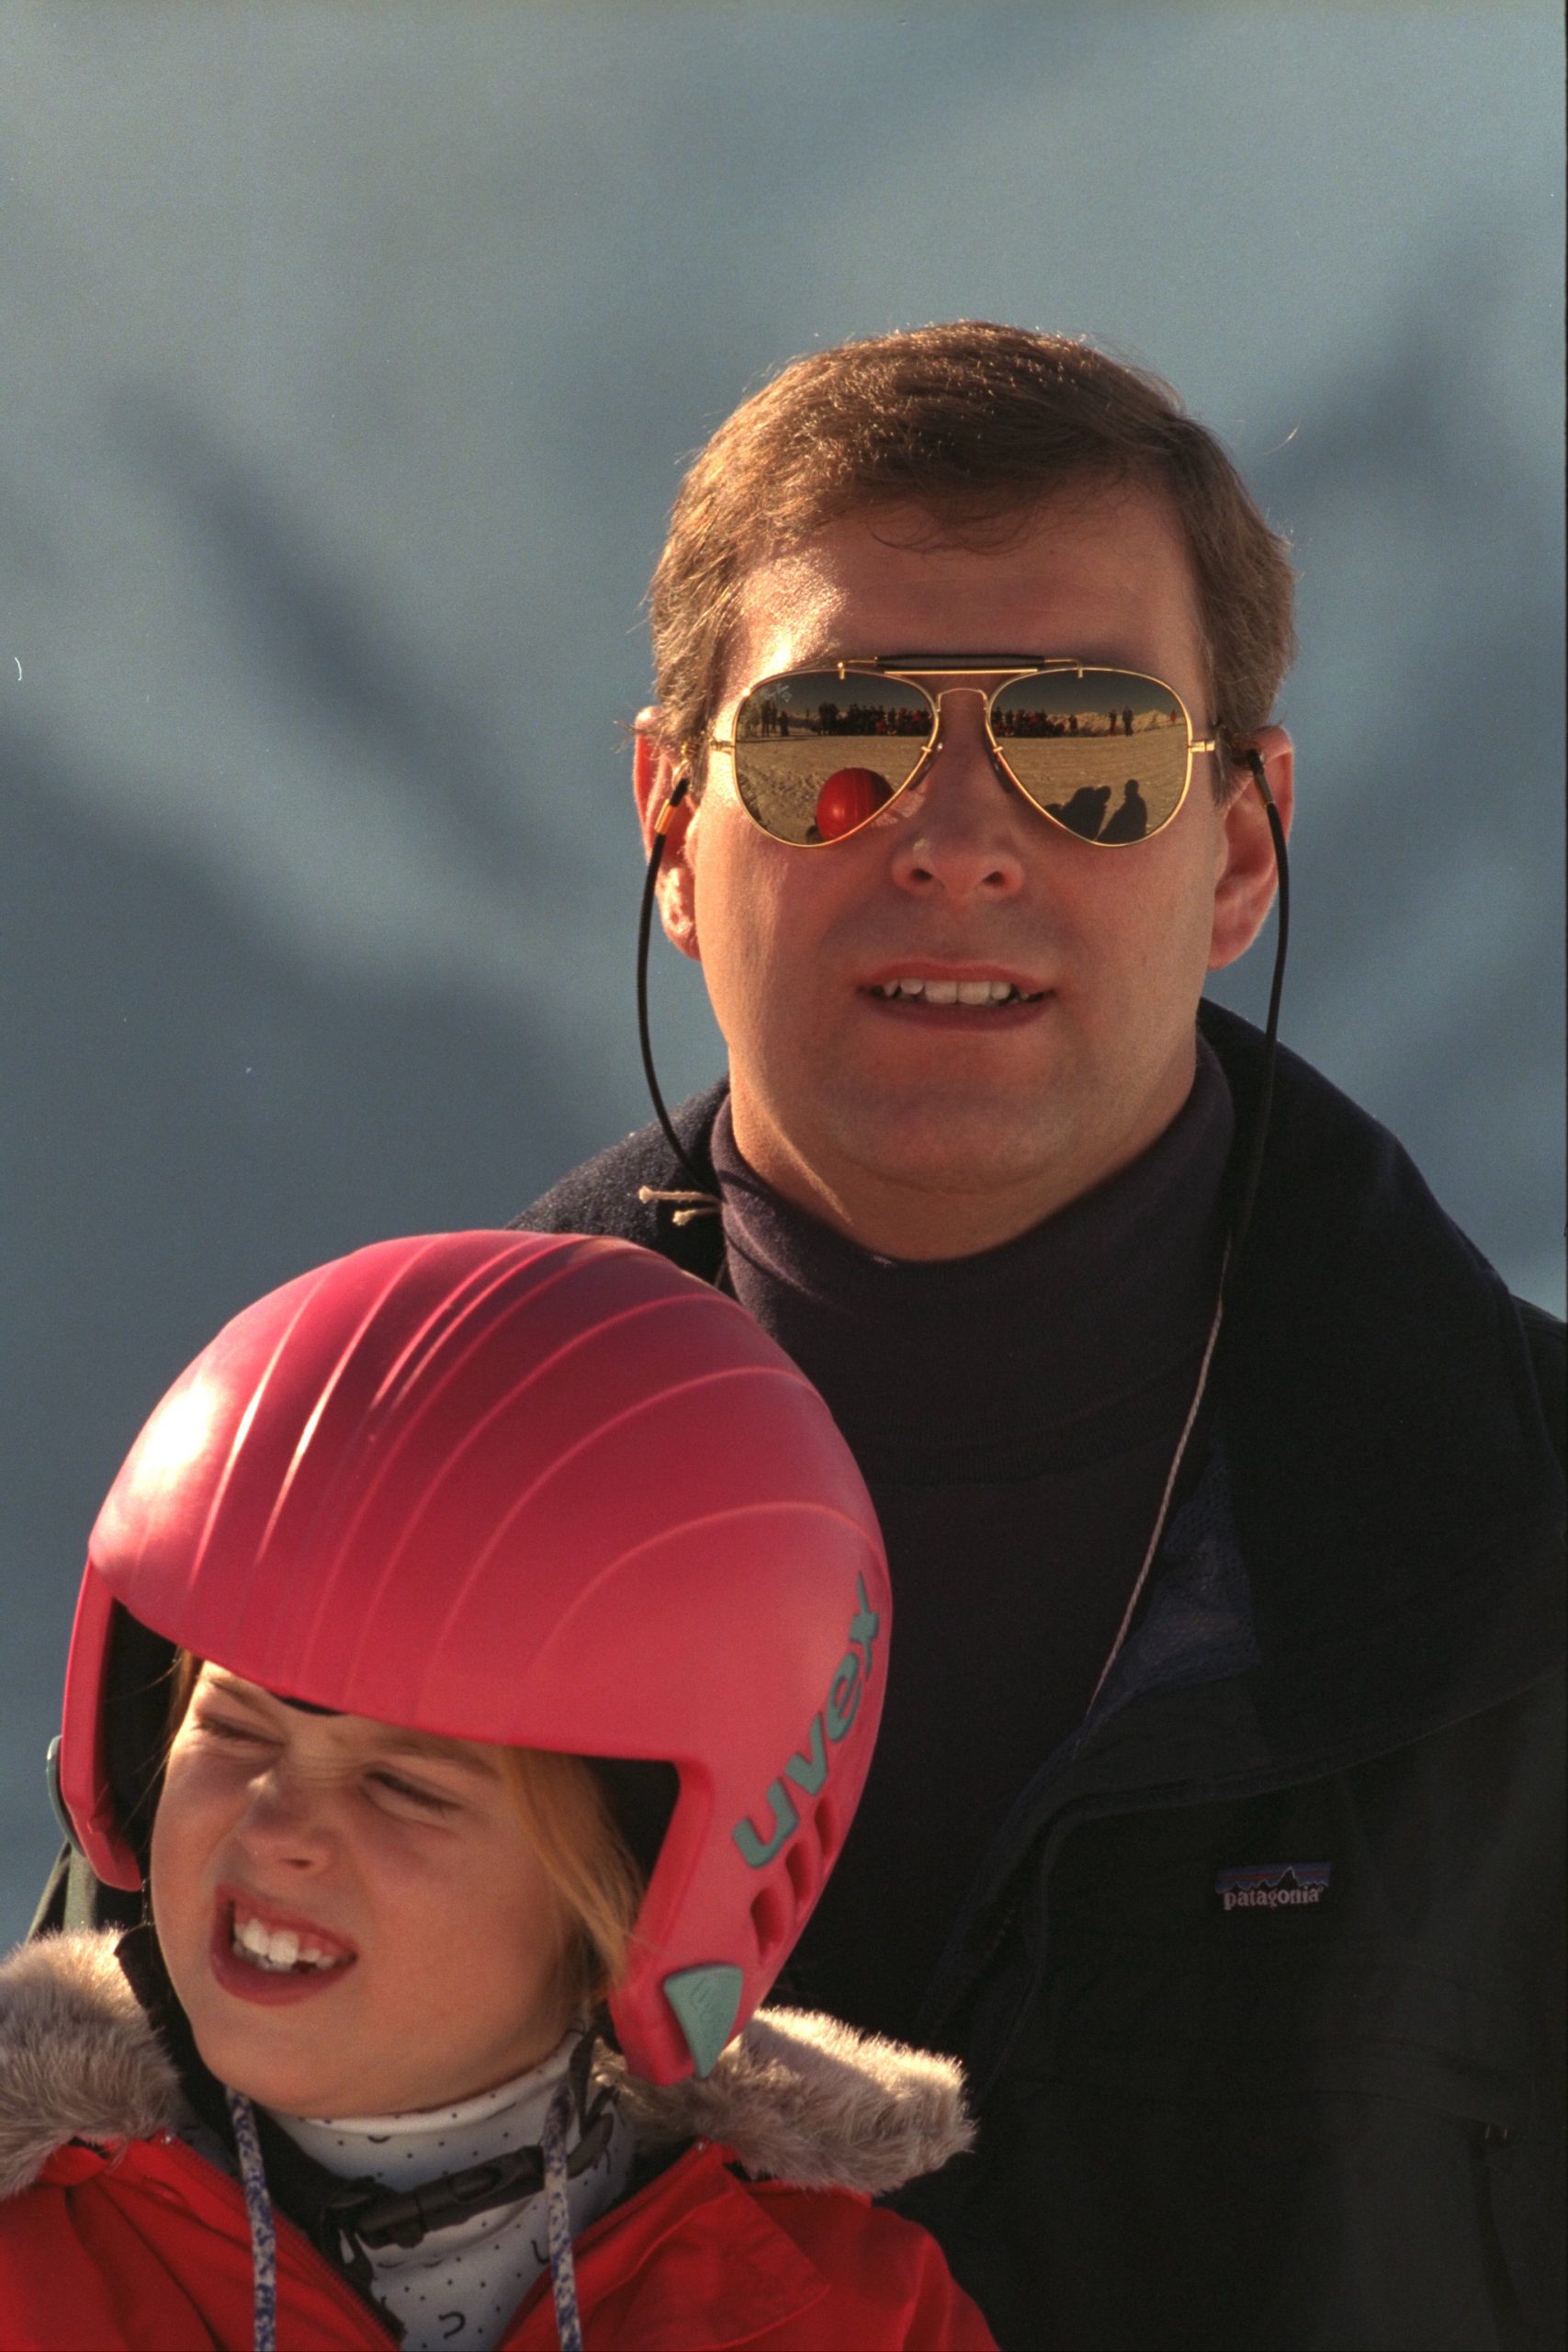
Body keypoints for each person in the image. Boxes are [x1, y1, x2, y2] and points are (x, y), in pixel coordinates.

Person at [31, 322, 1564, 2350]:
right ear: (671, 822)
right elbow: (105, 2202)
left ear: (1242, 849)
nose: (955, 836)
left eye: (1088, 747)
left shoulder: (1525, 1556)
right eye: (834, 735)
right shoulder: (340, 1485)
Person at [4, 1229, 993, 2349]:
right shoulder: (27, 2272)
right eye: (231, 1725)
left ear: (632, 1898)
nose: (277, 1826)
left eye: (402, 1787)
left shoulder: (851, 2317)